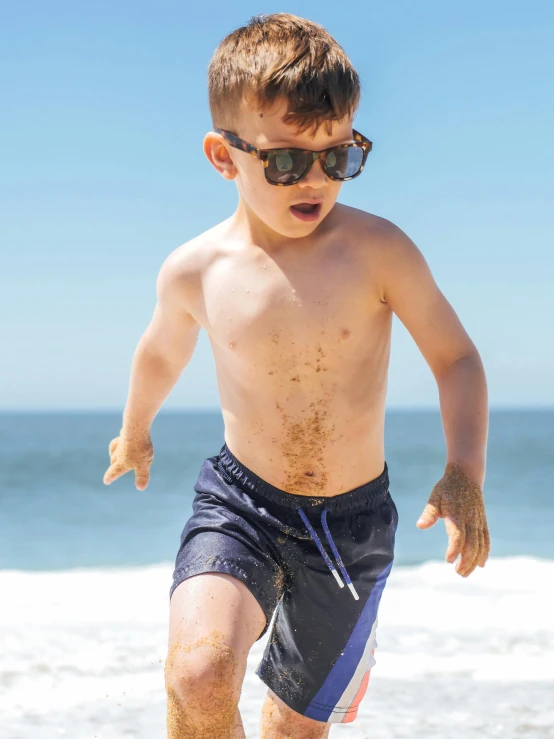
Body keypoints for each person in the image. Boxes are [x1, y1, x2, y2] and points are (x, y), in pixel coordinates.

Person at [102, 12, 490, 739]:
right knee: (197, 673)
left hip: (349, 524)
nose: (315, 180)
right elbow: (159, 352)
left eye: (337, 158)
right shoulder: (196, 269)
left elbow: (456, 357)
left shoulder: (377, 251)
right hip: (239, 502)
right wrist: (134, 431)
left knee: (291, 729)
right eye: (286, 161)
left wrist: (463, 469)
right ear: (225, 157)